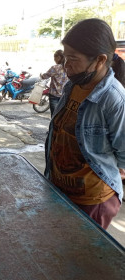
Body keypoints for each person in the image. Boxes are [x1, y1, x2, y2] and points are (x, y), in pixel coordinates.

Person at [45, 18, 125, 230]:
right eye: (65, 57)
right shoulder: (73, 86)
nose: (66, 66)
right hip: (60, 190)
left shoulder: (114, 99)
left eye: (73, 59)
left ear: (99, 60)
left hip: (92, 201)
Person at [40, 50, 68, 115]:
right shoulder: (68, 67)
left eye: (54, 57)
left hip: (54, 95)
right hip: (65, 95)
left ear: (59, 57)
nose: (54, 59)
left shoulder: (55, 67)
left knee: (54, 116)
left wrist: (41, 75)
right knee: (62, 116)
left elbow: (45, 76)